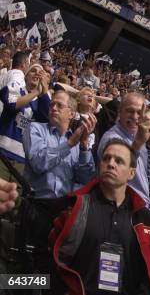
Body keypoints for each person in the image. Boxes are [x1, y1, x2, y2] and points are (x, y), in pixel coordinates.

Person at [49, 139, 150, 295]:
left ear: (131, 173)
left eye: (119, 161)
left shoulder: (148, 220)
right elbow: (49, 258)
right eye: (106, 159)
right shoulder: (72, 209)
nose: (111, 164)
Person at [22, 90, 97, 275]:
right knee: (27, 269)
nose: (53, 107)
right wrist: (69, 144)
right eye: (52, 104)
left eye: (59, 105)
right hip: (37, 208)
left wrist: (84, 146)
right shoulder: (35, 129)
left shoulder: (78, 142)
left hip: (64, 213)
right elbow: (39, 163)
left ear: (71, 113)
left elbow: (86, 179)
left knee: (54, 270)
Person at [97, 92, 150, 209]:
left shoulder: (139, 135)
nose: (135, 116)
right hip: (124, 208)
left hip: (143, 204)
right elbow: (112, 180)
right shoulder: (111, 139)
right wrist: (137, 144)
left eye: (139, 112)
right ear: (120, 112)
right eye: (130, 111)